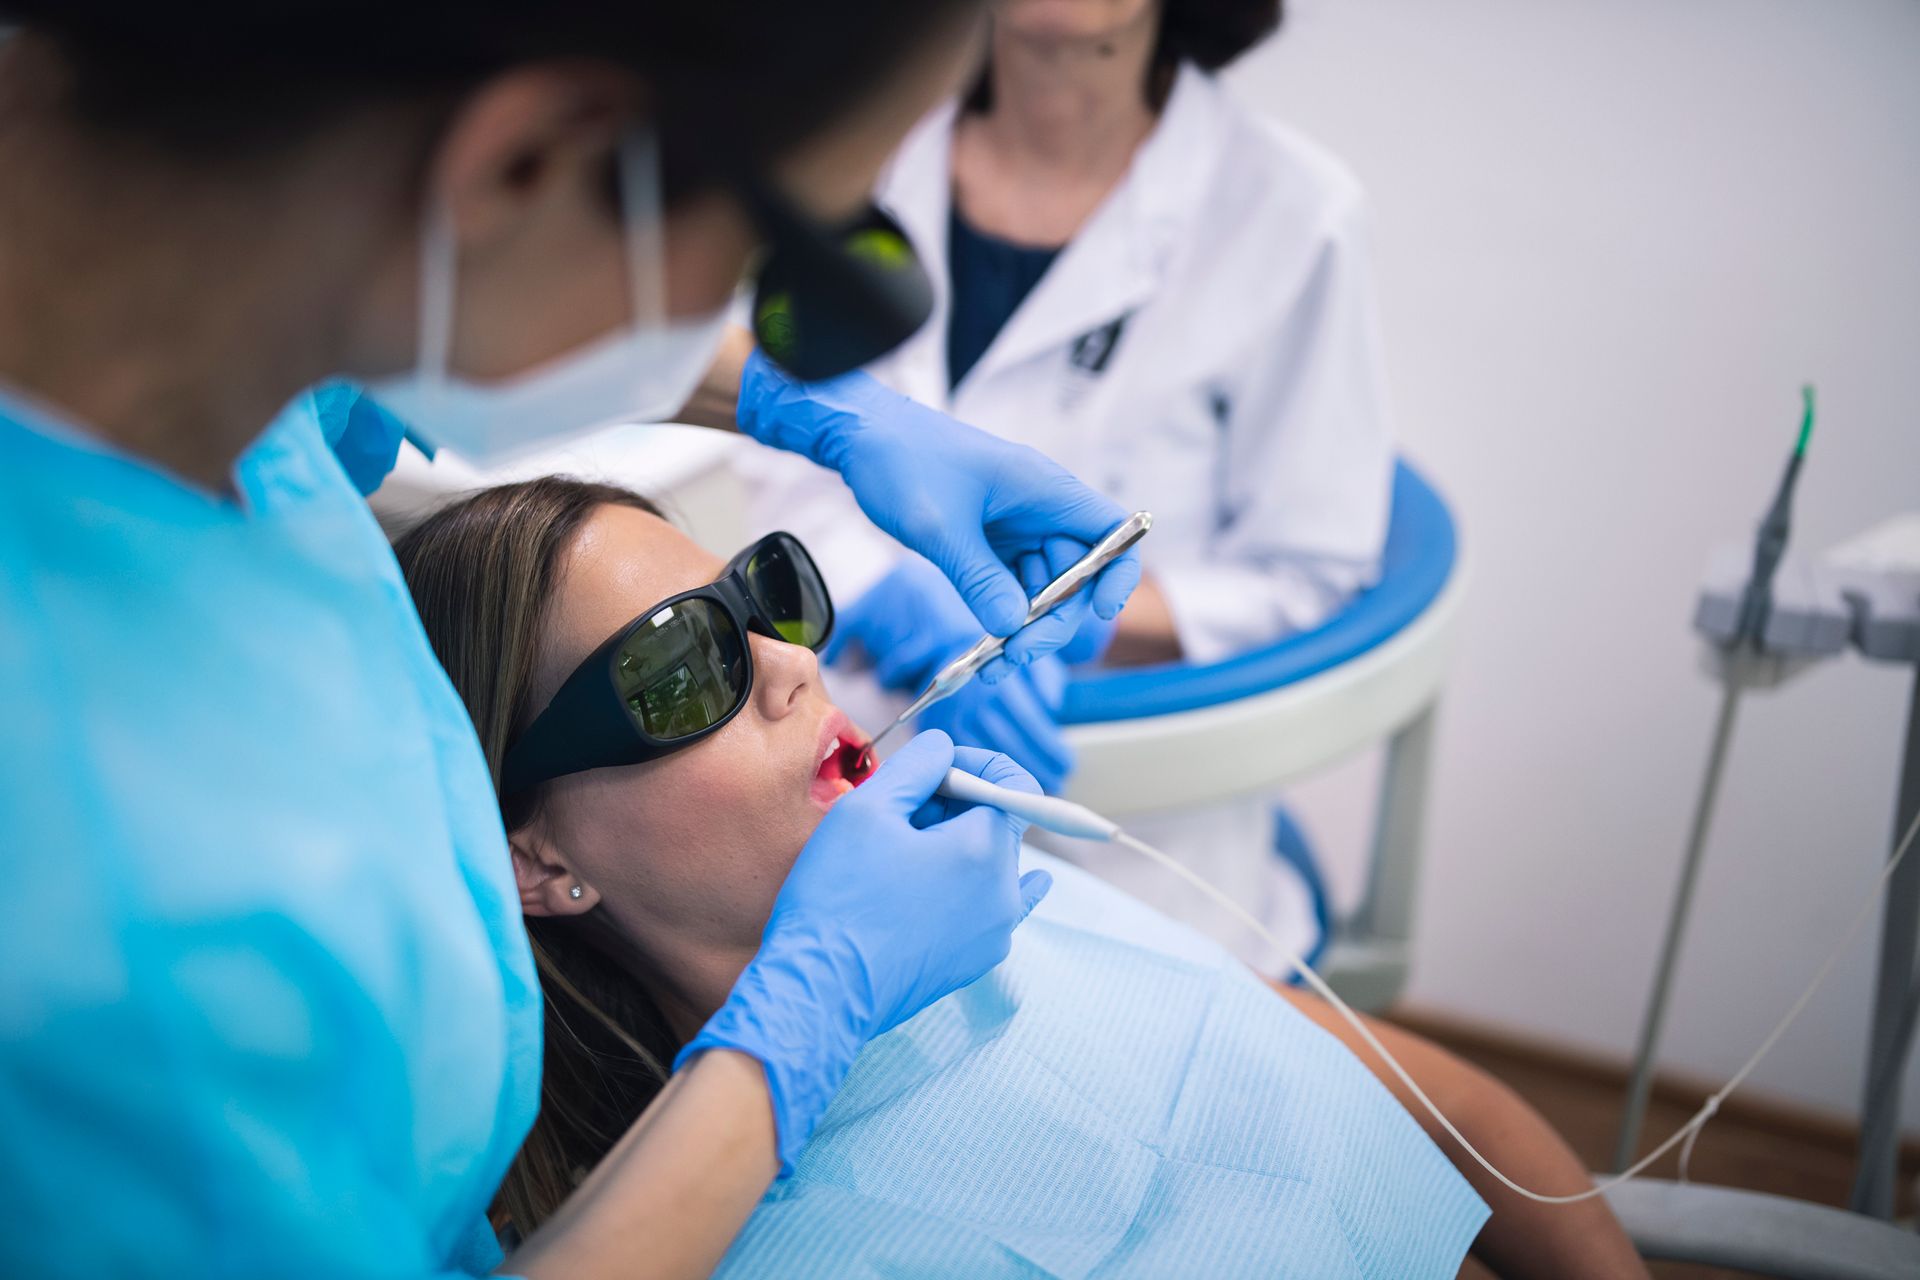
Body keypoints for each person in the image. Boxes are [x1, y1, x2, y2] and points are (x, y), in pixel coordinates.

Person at [0, 5, 1147, 1277]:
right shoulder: (101, 924)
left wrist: (810, 410)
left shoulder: (212, 323)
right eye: (803, 260)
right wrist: (796, 1031)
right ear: (525, 163)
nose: (796, 660)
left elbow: (389, 322)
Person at [392, 475, 1649, 1280]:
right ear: (534, 855)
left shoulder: (1020, 906)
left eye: (765, 601)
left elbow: (1472, 1125)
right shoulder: (674, 1238)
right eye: (684, 671)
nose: (792, 668)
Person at [737, 0, 1393, 971]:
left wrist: (1071, 618)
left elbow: (1309, 574)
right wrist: (888, 593)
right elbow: (775, 454)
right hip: (860, 740)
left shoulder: (1292, 213)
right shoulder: (855, 146)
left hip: (1133, 834)